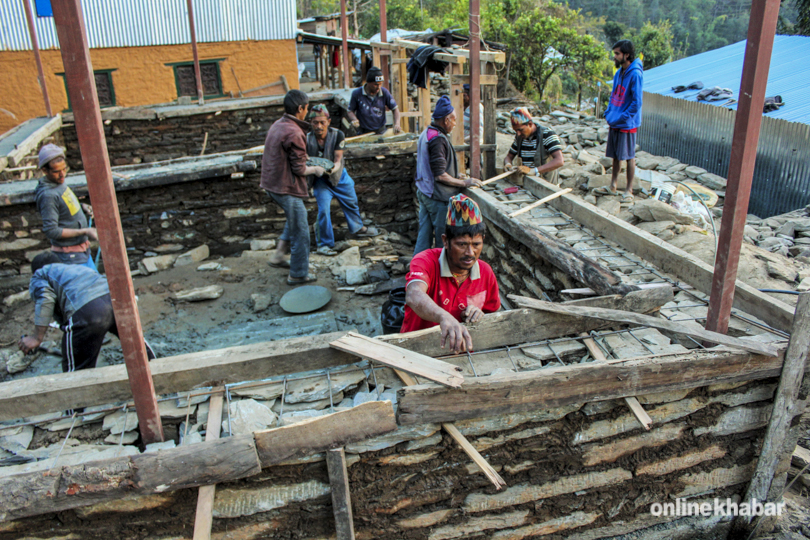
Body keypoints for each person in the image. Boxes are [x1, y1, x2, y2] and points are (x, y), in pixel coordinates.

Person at [19, 252, 155, 375]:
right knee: (138, 349)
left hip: (89, 311)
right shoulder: (77, 269)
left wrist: (36, 338)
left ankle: (79, 401)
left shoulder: (41, 274)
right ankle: (158, 375)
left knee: (76, 374)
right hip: (117, 301)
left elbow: (45, 299)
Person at [402, 194, 500, 353]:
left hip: (462, 354)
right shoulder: (426, 261)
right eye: (462, 244)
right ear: (445, 241)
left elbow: (493, 314)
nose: (470, 252)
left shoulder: (485, 272)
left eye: (476, 244)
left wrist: (480, 315)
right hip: (418, 352)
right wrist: (444, 316)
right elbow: (413, 295)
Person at [261, 90, 326, 285]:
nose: (307, 112)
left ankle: (279, 255)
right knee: (301, 230)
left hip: (272, 183)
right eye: (306, 108)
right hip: (284, 185)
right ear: (300, 108)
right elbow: (299, 169)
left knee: (295, 217)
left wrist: (303, 158)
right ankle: (297, 274)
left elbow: (288, 154)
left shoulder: (280, 124)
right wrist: (316, 169)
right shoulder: (294, 131)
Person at [306, 104, 380, 256]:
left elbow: (337, 159)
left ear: (329, 121)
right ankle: (325, 244)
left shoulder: (337, 134)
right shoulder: (307, 139)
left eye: (322, 122)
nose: (319, 126)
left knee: (351, 200)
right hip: (320, 180)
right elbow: (303, 160)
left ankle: (357, 228)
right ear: (311, 123)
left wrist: (332, 169)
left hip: (338, 175)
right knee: (323, 210)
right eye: (315, 123)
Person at [414, 95, 483, 256]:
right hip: (437, 197)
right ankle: (439, 275)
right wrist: (465, 182)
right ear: (446, 120)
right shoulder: (437, 139)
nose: (455, 123)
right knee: (441, 241)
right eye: (453, 120)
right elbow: (440, 175)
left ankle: (416, 270)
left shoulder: (428, 132)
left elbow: (437, 167)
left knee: (423, 237)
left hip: (424, 191)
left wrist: (455, 174)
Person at [595, 39, 643, 202]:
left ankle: (629, 190)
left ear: (627, 55)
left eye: (617, 54)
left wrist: (623, 117)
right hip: (615, 120)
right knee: (615, 154)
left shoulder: (635, 74)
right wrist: (609, 113)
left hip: (627, 122)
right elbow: (614, 95)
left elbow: (637, 102)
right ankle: (613, 185)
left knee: (629, 155)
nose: (614, 57)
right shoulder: (618, 74)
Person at [35, 144, 98, 267]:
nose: (62, 174)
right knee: (86, 285)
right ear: (44, 170)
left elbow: (63, 206)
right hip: (70, 256)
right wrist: (84, 231)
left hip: (81, 250)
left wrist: (81, 207)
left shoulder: (58, 183)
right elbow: (52, 231)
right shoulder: (48, 195)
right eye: (56, 171)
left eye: (64, 169)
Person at [503, 107, 564, 183]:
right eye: (516, 131)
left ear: (530, 124)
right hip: (529, 183)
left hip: (547, 184)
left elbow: (559, 161)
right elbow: (509, 156)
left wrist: (534, 171)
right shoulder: (520, 137)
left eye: (521, 130)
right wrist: (508, 164)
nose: (518, 133)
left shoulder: (547, 135)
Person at [347, 67, 402, 135]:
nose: (378, 87)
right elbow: (350, 110)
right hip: (364, 133)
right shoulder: (357, 94)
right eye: (375, 84)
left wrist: (397, 123)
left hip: (381, 132)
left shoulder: (384, 92)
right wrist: (354, 119)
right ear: (368, 83)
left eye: (380, 84)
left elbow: (395, 109)